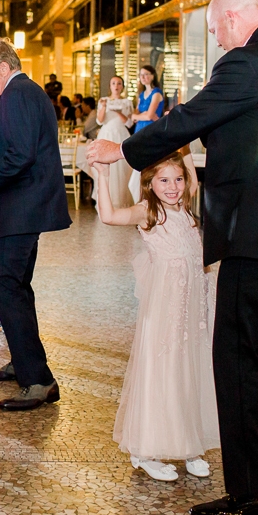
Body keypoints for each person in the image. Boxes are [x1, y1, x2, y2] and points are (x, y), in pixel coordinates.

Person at [87, 0, 258, 515]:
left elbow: (189, 118)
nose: (218, 41)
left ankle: (257, 495)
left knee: (239, 357)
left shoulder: (248, 62)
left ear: (236, 17)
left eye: (217, 30)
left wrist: (122, 148)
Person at [94, 149, 218, 483]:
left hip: (191, 313)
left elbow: (189, 173)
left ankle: (189, 445)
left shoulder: (187, 211)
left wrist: (186, 143)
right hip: (164, 314)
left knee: (189, 372)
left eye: (178, 179)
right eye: (164, 180)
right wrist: (103, 176)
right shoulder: (149, 212)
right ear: (150, 183)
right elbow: (108, 216)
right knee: (162, 373)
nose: (173, 186)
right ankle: (145, 450)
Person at [0, 38, 71, 412]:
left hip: (20, 210)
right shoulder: (19, 92)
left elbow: (20, 155)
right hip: (21, 209)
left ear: (4, 68)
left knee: (5, 288)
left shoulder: (20, 94)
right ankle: (25, 363)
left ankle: (38, 380)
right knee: (16, 289)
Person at [93, 76, 136, 209]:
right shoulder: (103, 100)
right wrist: (104, 107)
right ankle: (105, 201)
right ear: (110, 86)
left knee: (122, 167)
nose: (116, 86)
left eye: (119, 83)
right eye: (113, 83)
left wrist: (118, 112)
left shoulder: (127, 102)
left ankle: (121, 200)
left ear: (122, 86)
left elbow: (129, 123)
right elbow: (99, 121)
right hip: (106, 134)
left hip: (120, 134)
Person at [133, 65, 166, 133]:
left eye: (145, 74)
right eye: (141, 74)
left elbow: (149, 116)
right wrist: (142, 114)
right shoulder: (141, 94)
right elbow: (136, 113)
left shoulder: (156, 93)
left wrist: (136, 116)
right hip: (139, 129)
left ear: (152, 76)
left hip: (150, 129)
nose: (142, 77)